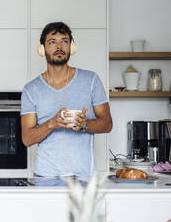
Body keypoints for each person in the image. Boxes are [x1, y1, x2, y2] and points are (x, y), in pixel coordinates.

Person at [21, 22, 112, 177]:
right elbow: (27, 139)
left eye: (65, 41)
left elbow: (107, 124)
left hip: (84, 178)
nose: (59, 46)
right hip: (46, 178)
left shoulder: (91, 80)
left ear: (72, 47)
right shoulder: (31, 90)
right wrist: (52, 123)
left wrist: (85, 124)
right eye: (52, 42)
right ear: (42, 49)